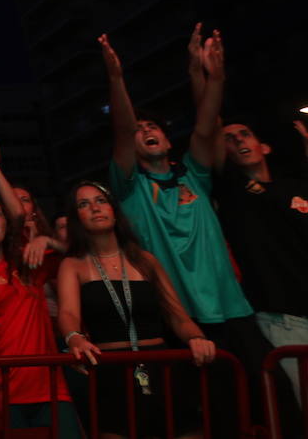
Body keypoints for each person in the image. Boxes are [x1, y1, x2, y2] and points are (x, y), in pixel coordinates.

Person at [99, 28, 280, 437]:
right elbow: (124, 132)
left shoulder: (194, 174)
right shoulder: (129, 187)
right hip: (176, 317)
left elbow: (205, 129)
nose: (147, 131)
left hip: (232, 310)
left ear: (165, 138)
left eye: (155, 127)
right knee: (199, 419)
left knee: (263, 408)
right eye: (141, 129)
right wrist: (116, 78)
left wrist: (213, 79)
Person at [212, 119, 308, 437]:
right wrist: (210, 82)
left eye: (245, 134)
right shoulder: (230, 196)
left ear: (264, 146)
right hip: (281, 325)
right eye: (229, 139)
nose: (239, 141)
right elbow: (208, 134)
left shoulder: (300, 191)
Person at [57, 182, 215, 439]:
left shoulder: (145, 260)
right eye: (84, 204)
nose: (95, 208)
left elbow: (176, 314)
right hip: (111, 370)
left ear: (114, 210)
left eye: (100, 200)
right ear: (77, 218)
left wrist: (196, 338)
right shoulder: (72, 264)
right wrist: (74, 337)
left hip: (161, 365)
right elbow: (68, 314)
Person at [0, 194, 81, 437]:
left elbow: (80, 256)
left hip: (50, 388)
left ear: (6, 224)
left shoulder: (27, 263)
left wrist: (49, 240)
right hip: (4, 391)